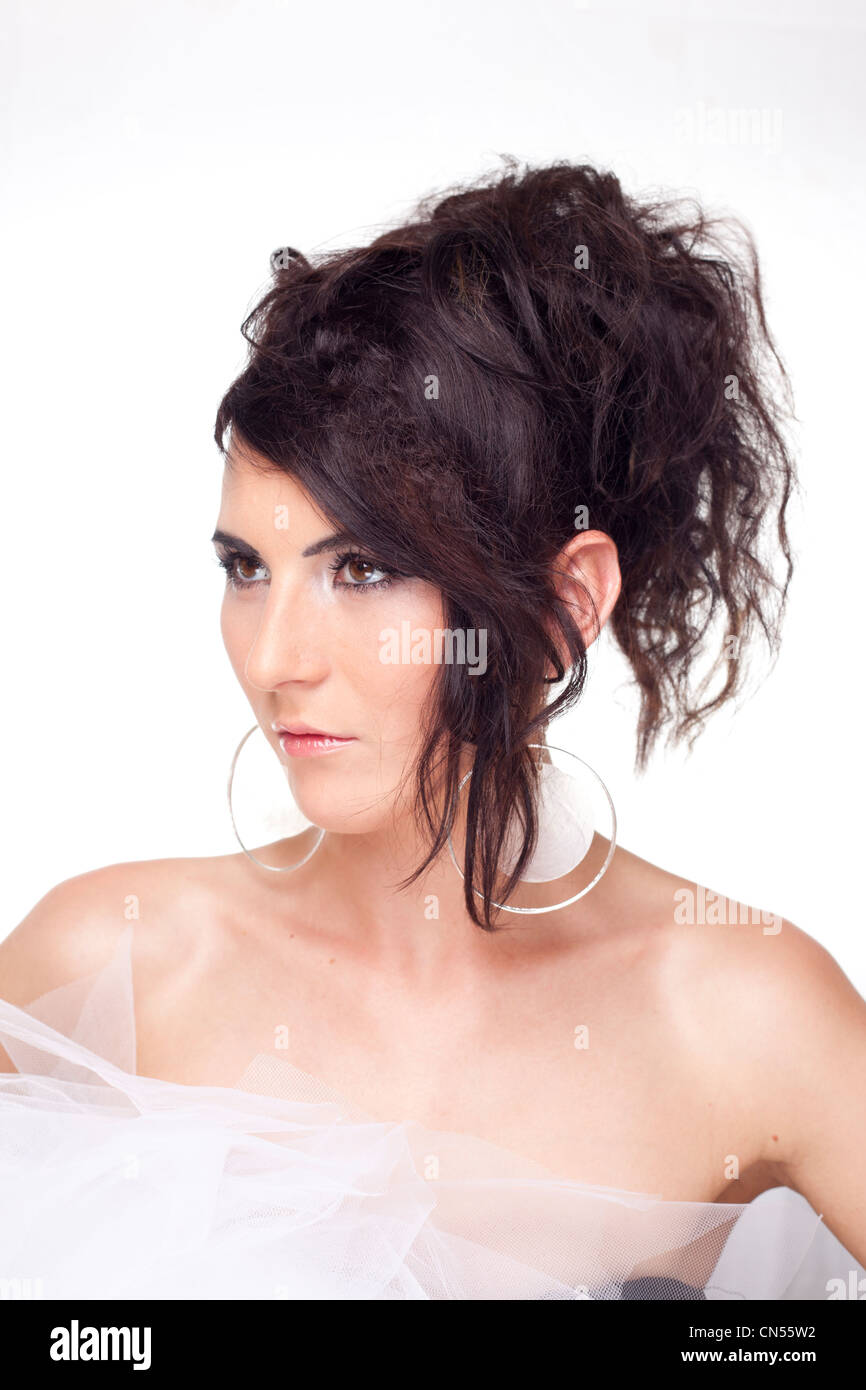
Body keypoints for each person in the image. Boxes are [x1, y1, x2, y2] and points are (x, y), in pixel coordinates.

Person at [1, 157, 864, 1300]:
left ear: (563, 607)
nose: (274, 659)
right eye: (246, 569)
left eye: (361, 569)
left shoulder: (741, 1010)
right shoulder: (105, 961)